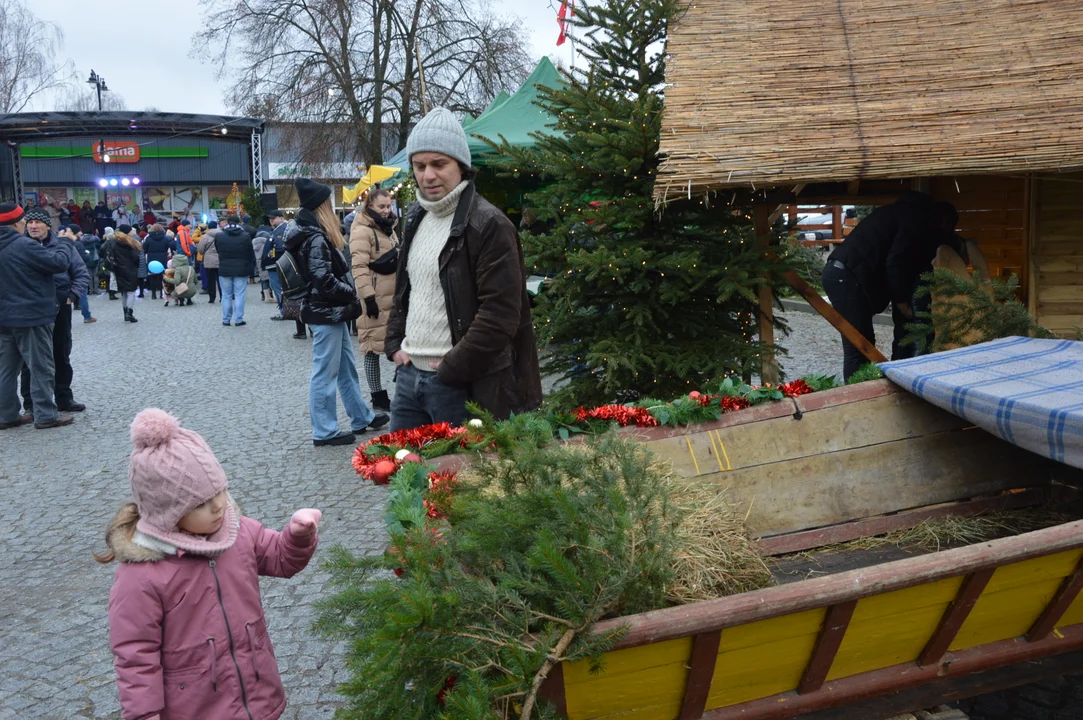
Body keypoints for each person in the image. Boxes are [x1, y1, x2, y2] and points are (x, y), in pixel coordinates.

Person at [96, 408, 321, 720]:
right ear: (168, 513)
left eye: (220, 490)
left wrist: (297, 536)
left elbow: (281, 559)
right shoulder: (142, 576)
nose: (218, 505)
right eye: (201, 502)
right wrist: (144, 715)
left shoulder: (238, 533)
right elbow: (136, 655)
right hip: (196, 709)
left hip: (257, 695)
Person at [386, 107, 543, 430]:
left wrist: (450, 369)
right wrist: (393, 346)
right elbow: (406, 290)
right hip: (408, 380)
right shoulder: (416, 216)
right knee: (402, 476)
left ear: (461, 165)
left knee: (456, 479)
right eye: (419, 165)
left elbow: (500, 315)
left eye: (438, 164)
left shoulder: (489, 224)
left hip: (460, 383)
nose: (427, 175)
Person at [286, 178, 389, 446]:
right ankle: (324, 430)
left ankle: (361, 417)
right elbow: (323, 279)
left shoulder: (311, 232)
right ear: (322, 206)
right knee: (325, 372)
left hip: (331, 311)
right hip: (326, 311)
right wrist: (351, 294)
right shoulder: (315, 236)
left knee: (345, 369)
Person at [822, 191, 948, 379]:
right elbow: (896, 262)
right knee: (859, 347)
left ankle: (860, 394)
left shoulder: (895, 213)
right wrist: (901, 302)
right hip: (846, 277)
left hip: (841, 273)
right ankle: (857, 399)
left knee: (861, 344)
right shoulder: (912, 218)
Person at [0, 203, 75, 430]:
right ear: (16, 223)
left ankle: (6, 415)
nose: (26, 224)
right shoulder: (23, 245)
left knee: (6, 370)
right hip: (31, 316)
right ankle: (45, 414)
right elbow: (59, 264)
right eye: (24, 220)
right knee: (41, 366)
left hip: (4, 318)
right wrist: (65, 242)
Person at [19, 207, 90, 415]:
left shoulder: (62, 246)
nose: (33, 226)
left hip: (59, 302)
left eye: (37, 222)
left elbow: (80, 273)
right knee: (29, 358)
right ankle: (31, 404)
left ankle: (63, 397)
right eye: (30, 222)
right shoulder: (20, 245)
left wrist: (72, 295)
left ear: (47, 225)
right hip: (31, 304)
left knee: (61, 351)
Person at [349, 189, 399, 412]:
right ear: (369, 206)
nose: (386, 210)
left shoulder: (389, 228)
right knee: (371, 348)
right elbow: (358, 267)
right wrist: (368, 297)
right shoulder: (361, 230)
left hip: (394, 295)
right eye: (382, 207)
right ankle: (377, 395)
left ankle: (405, 391)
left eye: (388, 206)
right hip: (375, 296)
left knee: (398, 342)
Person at [215, 215, 256, 326]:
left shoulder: (219, 236)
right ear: (239, 222)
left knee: (226, 295)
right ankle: (238, 319)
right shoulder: (245, 236)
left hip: (224, 268)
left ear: (227, 222)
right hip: (241, 268)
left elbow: (218, 250)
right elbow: (249, 252)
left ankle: (226, 319)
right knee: (239, 294)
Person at [108, 225, 144, 323]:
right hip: (130, 269)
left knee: (124, 292)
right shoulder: (130, 242)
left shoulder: (113, 241)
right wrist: (136, 266)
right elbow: (136, 257)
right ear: (127, 232)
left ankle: (125, 313)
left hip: (118, 269)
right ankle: (129, 313)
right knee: (131, 292)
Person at [62, 224, 96, 322]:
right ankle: (87, 316)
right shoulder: (78, 244)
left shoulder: (64, 243)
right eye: (80, 231)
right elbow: (82, 258)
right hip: (77, 272)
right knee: (83, 294)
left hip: (67, 272)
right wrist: (87, 255)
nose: (81, 233)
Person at [142, 224, 175, 300]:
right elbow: (167, 247)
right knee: (162, 276)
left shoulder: (148, 238)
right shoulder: (165, 238)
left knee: (152, 276)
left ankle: (153, 294)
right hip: (162, 257)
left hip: (152, 257)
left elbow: (144, 248)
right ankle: (161, 293)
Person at [265, 210, 288, 319]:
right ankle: (285, 310)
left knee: (279, 289)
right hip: (278, 264)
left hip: (276, 264)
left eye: (274, 218)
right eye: (270, 218)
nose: (271, 220)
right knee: (279, 288)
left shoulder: (281, 230)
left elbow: (279, 248)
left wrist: (270, 255)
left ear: (281, 218)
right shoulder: (278, 230)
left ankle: (284, 311)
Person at [197, 220, 221, 303]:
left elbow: (200, 249)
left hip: (209, 261)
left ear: (209, 227)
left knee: (211, 280)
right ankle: (222, 296)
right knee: (221, 279)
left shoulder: (205, 237)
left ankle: (212, 298)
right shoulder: (222, 235)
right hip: (220, 260)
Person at [252, 229, 271, 302]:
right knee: (269, 278)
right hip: (266, 261)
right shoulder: (266, 242)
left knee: (263, 279)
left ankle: (264, 295)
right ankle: (270, 295)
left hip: (259, 262)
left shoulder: (254, 243)